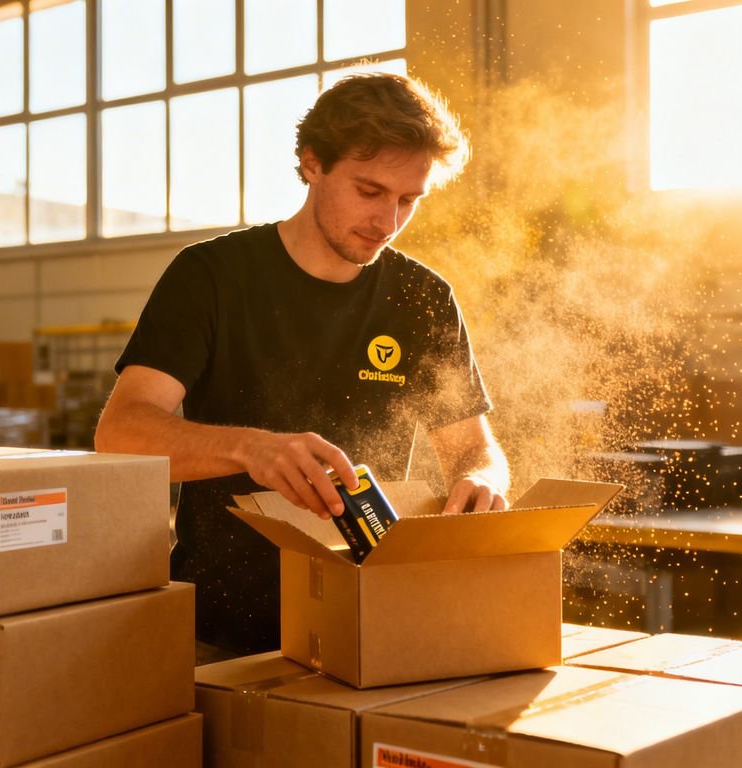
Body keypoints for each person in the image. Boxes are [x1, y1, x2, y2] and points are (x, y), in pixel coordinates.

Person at [94, 72, 510, 656]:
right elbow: (120, 434)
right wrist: (250, 449)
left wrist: (484, 480)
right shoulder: (211, 277)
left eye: (408, 200)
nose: (388, 222)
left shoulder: (423, 298)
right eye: (369, 191)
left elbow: (473, 448)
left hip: (369, 623)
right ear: (312, 163)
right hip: (221, 631)